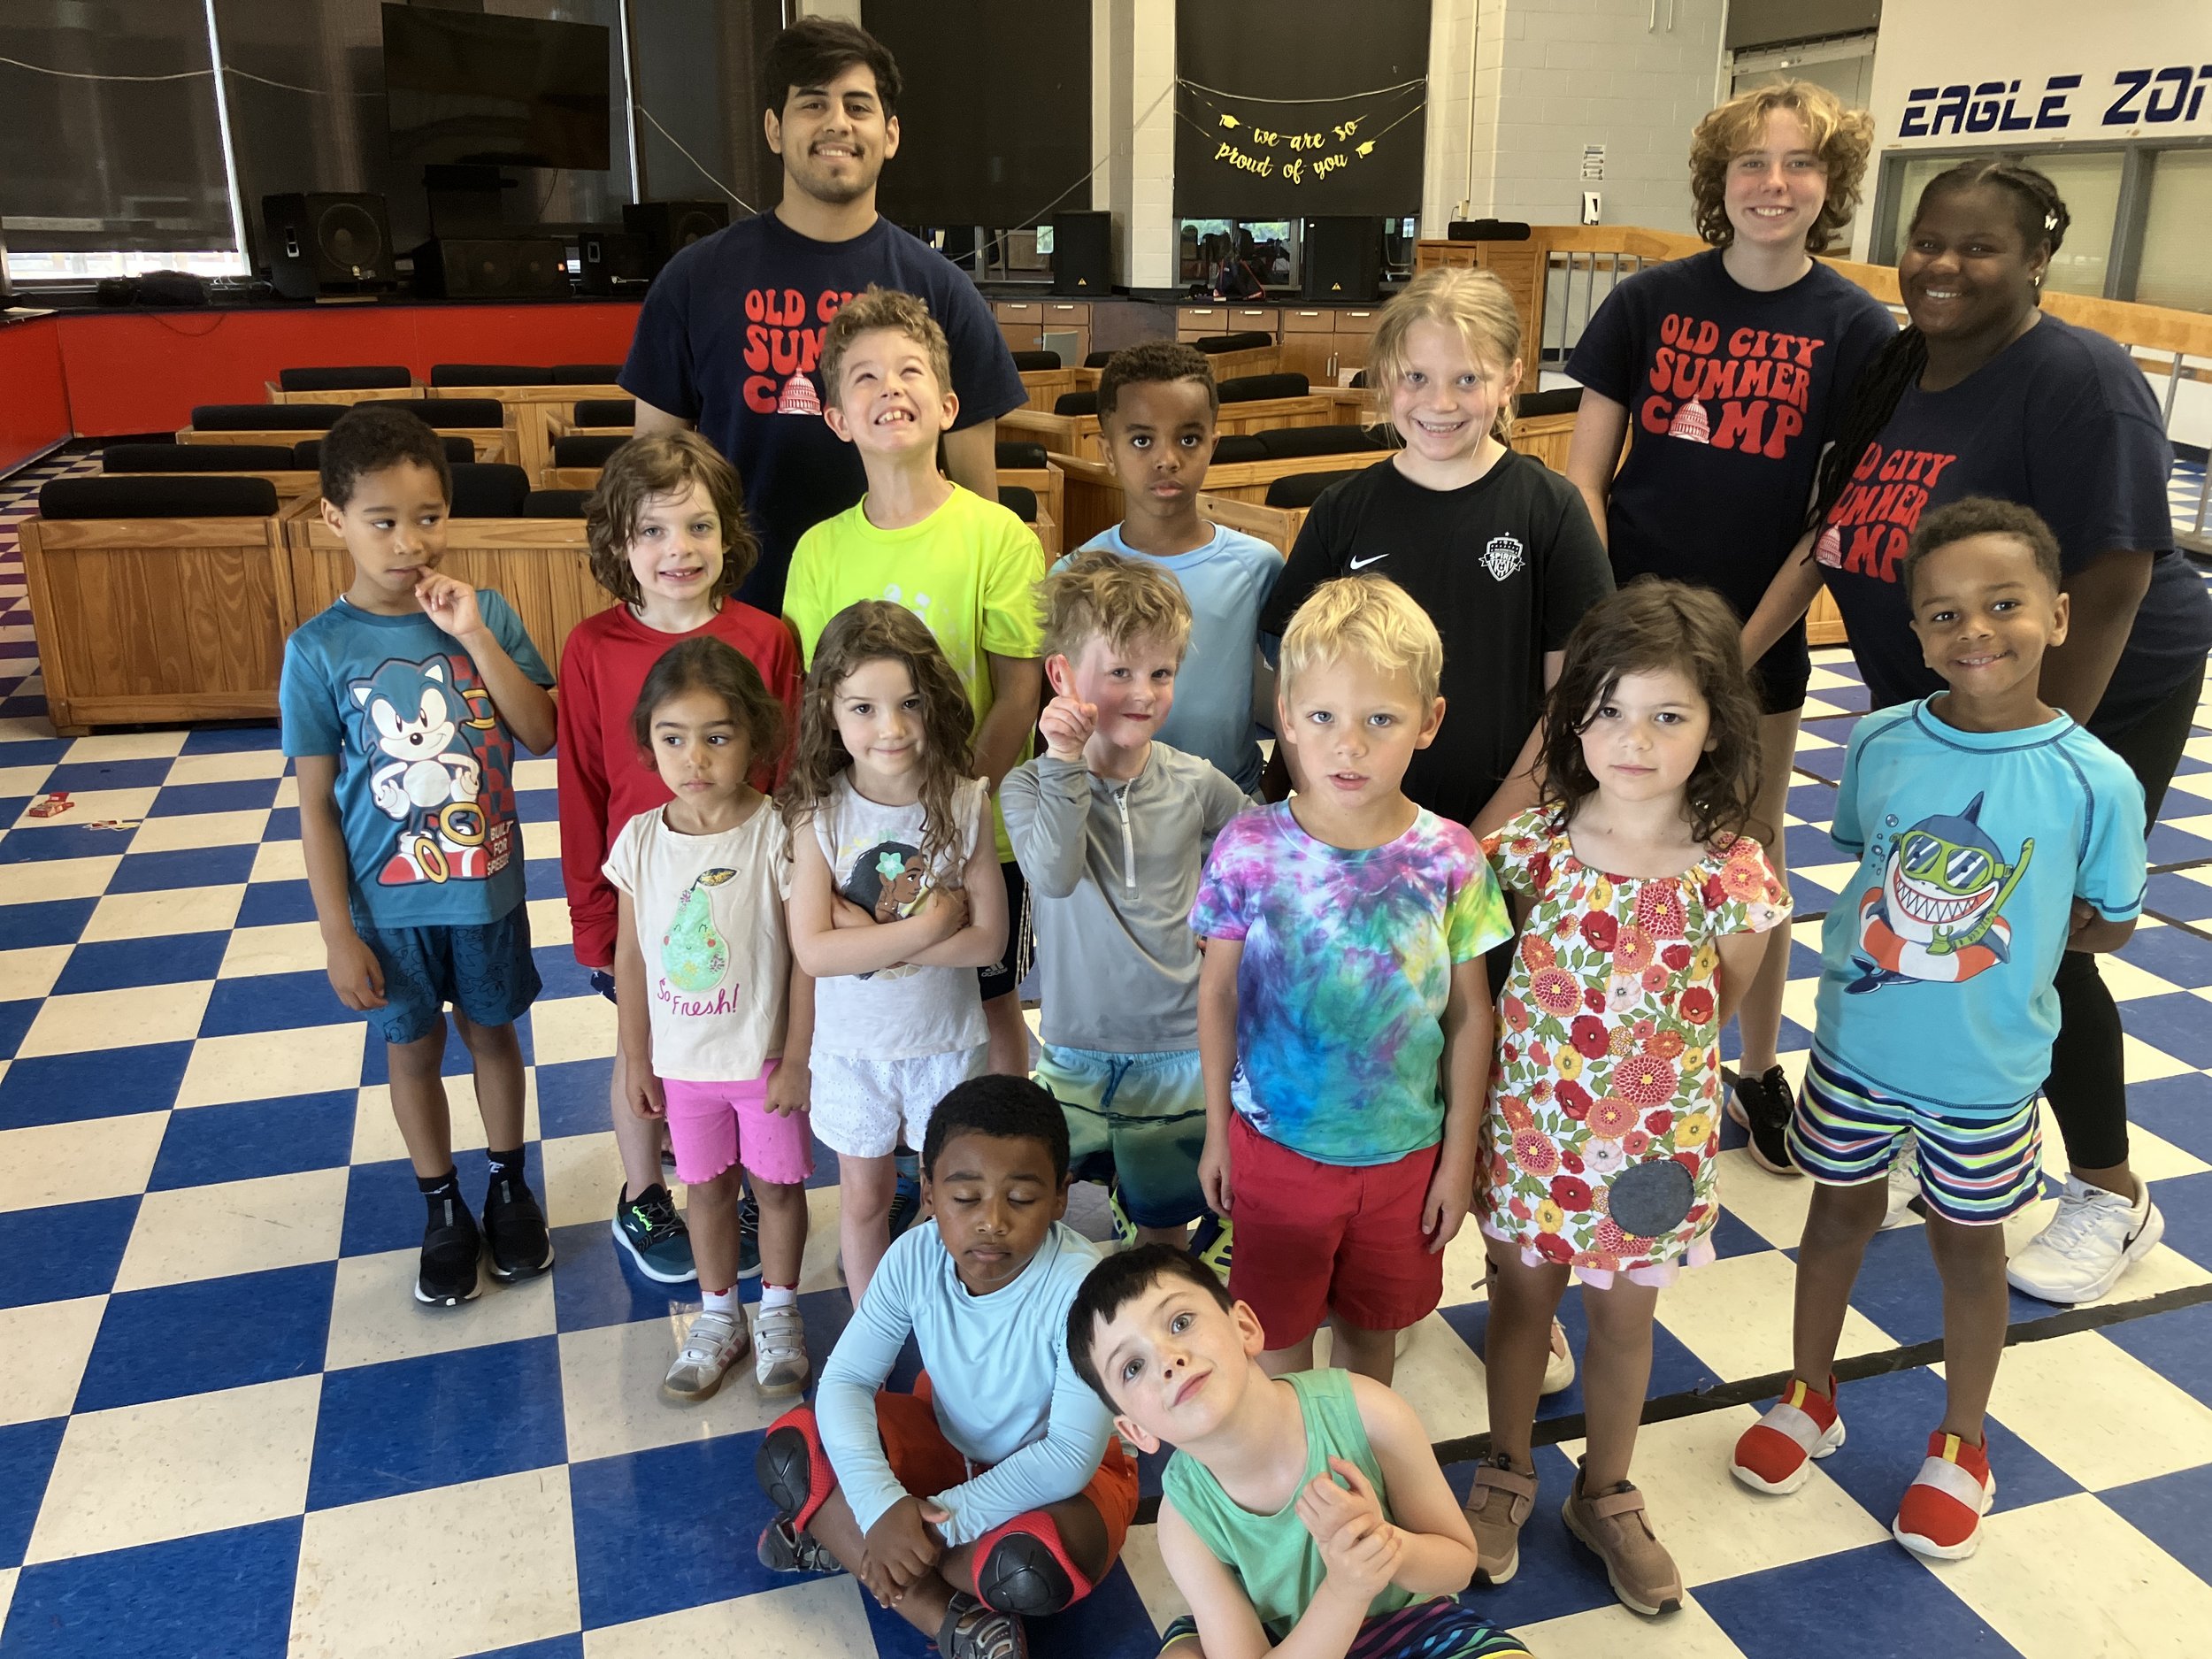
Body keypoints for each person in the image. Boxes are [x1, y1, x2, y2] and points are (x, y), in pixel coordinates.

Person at [1740, 158, 2212, 1304]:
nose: (1944, 265)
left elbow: (2112, 576)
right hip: (1945, 708)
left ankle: (2111, 1188)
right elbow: (1830, 534)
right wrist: (1725, 659)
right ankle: (1923, 1134)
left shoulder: (2075, 379)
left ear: (2038, 257)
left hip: (2089, 691)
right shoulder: (1903, 371)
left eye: (1980, 247)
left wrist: (2042, 757)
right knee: (1920, 928)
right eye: (1929, 241)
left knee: (2038, 933)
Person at [1732, 499, 2146, 1559]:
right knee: (1833, 1219)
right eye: (1943, 614)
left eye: (2002, 605)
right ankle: (1808, 1396)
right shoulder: (1877, 741)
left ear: (2057, 615)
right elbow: (1871, 854)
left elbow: (2105, 922)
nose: (1975, 632)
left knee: (1971, 1251)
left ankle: (1963, 1445)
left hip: (1984, 1073)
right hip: (1856, 1051)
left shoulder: (2093, 779)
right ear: (1913, 633)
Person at [1563, 81, 1894, 1166]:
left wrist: (1728, 660)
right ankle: (1589, 1041)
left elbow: (1828, 524)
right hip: (1624, 636)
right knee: (1600, 839)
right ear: (1720, 181)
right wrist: (1609, 628)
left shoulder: (1855, 329)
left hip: (1759, 645)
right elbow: (1584, 479)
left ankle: (1752, 1071)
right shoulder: (1647, 303)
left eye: (1800, 164)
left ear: (1828, 188)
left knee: (1751, 856)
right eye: (1753, 162)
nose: (1774, 183)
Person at [1463, 581, 1790, 1617]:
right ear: (1573, 719)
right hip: (1531, 1137)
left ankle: (1604, 1491)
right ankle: (1505, 1469)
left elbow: (1720, 999)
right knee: (1519, 1303)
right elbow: (1487, 973)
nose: (1632, 740)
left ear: (1714, 726)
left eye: (1666, 715)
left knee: (1624, 1322)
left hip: (1651, 1155)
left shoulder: (1733, 874)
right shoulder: (1533, 848)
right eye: (1607, 710)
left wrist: (1632, 1092)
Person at [1191, 577, 1510, 1385]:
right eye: (1325, 716)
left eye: (1381, 719)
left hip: (1405, 1156)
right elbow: (1218, 993)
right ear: (1286, 714)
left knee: (1374, 1344)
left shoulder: (1451, 858)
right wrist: (1216, 1128)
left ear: (1428, 722)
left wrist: (1457, 1154)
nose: (1350, 746)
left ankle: (1359, 1486)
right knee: (1281, 1349)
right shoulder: (1248, 847)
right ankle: (1293, 1493)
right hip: (1276, 1150)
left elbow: (1472, 1015)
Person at [280, 403, 557, 1307]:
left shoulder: (487, 614)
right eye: (382, 520)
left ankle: (509, 1185)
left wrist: (476, 634)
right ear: (334, 521)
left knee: (493, 1037)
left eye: (427, 517)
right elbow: (316, 803)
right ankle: (442, 1204)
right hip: (385, 908)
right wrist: (334, 933)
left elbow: (540, 731)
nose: (408, 542)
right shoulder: (317, 650)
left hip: (485, 891)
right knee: (412, 1051)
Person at [618, 15, 1025, 612]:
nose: (838, 122)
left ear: (889, 134)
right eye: (813, 104)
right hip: (734, 615)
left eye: (858, 106)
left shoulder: (942, 290)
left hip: (906, 621)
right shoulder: (693, 279)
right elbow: (650, 475)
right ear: (774, 129)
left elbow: (976, 499)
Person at [753, 1076, 1141, 1659]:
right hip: (944, 1444)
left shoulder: (1086, 1288)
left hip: (1065, 1483)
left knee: (1028, 1568)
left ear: (1061, 1198)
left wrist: (925, 1528)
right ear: (930, 1192)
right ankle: (950, 1621)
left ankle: (850, 1542)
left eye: (1022, 1197)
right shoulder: (913, 1255)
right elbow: (847, 1382)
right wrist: (884, 1507)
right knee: (793, 1451)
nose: (992, 1221)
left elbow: (1065, 1457)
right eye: (965, 1197)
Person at [783, 284, 1046, 1096]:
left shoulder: (997, 536)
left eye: (908, 372)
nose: (888, 388)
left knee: (988, 1001)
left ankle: (999, 1155)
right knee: (881, 997)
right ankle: (898, 1161)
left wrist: (949, 810)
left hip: (973, 830)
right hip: (856, 833)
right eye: (863, 377)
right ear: (836, 417)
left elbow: (1017, 697)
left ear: (948, 403)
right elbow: (816, 707)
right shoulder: (819, 552)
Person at [558, 431, 804, 1286]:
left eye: (697, 528)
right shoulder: (592, 647)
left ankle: (743, 1187)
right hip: (639, 899)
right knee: (647, 1057)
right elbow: (582, 786)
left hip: (753, 900)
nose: (678, 551)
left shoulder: (768, 639)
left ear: (728, 535)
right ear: (619, 545)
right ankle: (643, 1190)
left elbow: (789, 775)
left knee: (746, 1046)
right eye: (653, 532)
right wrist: (592, 918)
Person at [1259, 265, 1613, 840]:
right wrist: (1341, 820)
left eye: (1467, 379)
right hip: (1356, 836)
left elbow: (1570, 702)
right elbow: (1291, 684)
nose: (1439, 402)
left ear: (1510, 380)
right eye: (1416, 377)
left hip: (1503, 839)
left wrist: (1478, 842)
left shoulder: (1550, 511)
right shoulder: (1343, 510)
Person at [1064, 1245, 1529, 1659]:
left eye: (1180, 1323)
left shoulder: (1369, 1414)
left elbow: (1457, 1567)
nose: (1168, 1359)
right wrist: (1346, 1588)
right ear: (1135, 1430)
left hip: (1415, 1625)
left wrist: (1385, 1549)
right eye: (1132, 1367)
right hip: (1284, 1641)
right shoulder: (1183, 1521)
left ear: (1245, 1326)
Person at [1002, 552, 1248, 1255]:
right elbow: (1051, 872)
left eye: (1160, 673)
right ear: (1061, 675)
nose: (1143, 693)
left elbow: (1256, 844)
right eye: (1120, 672)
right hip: (1076, 1046)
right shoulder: (1027, 786)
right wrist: (1061, 762)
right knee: (1034, 1203)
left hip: (1177, 1046)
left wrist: (1225, 929)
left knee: (1160, 1233)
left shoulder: (1196, 781)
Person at [781, 601, 1008, 1306]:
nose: (893, 728)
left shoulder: (964, 801)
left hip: (946, 1042)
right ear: (829, 710)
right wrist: (928, 923)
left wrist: (865, 941)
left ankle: (953, 1323)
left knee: (954, 1197)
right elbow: (814, 952)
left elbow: (990, 941)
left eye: (909, 702)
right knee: (864, 1198)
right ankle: (871, 1339)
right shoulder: (817, 814)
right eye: (865, 708)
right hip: (854, 1048)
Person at [604, 639, 813, 1401]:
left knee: (779, 1186)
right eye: (673, 738)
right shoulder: (639, 841)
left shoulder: (780, 831)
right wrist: (637, 1059)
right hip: (684, 1063)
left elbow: (804, 958)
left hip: (759, 1060)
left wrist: (796, 1055)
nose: (695, 758)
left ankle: (781, 1309)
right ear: (649, 742)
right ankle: (720, 1313)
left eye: (717, 737)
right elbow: (631, 960)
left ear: (754, 737)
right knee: (706, 1189)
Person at [1068, 342, 1283, 795]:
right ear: (1108, 452)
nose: (1167, 459)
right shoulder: (1077, 574)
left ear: (1213, 444)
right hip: (1110, 811)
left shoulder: (1258, 566)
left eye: (1188, 439)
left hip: (1230, 807)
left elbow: (1301, 693)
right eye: (1142, 440)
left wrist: (1273, 793)